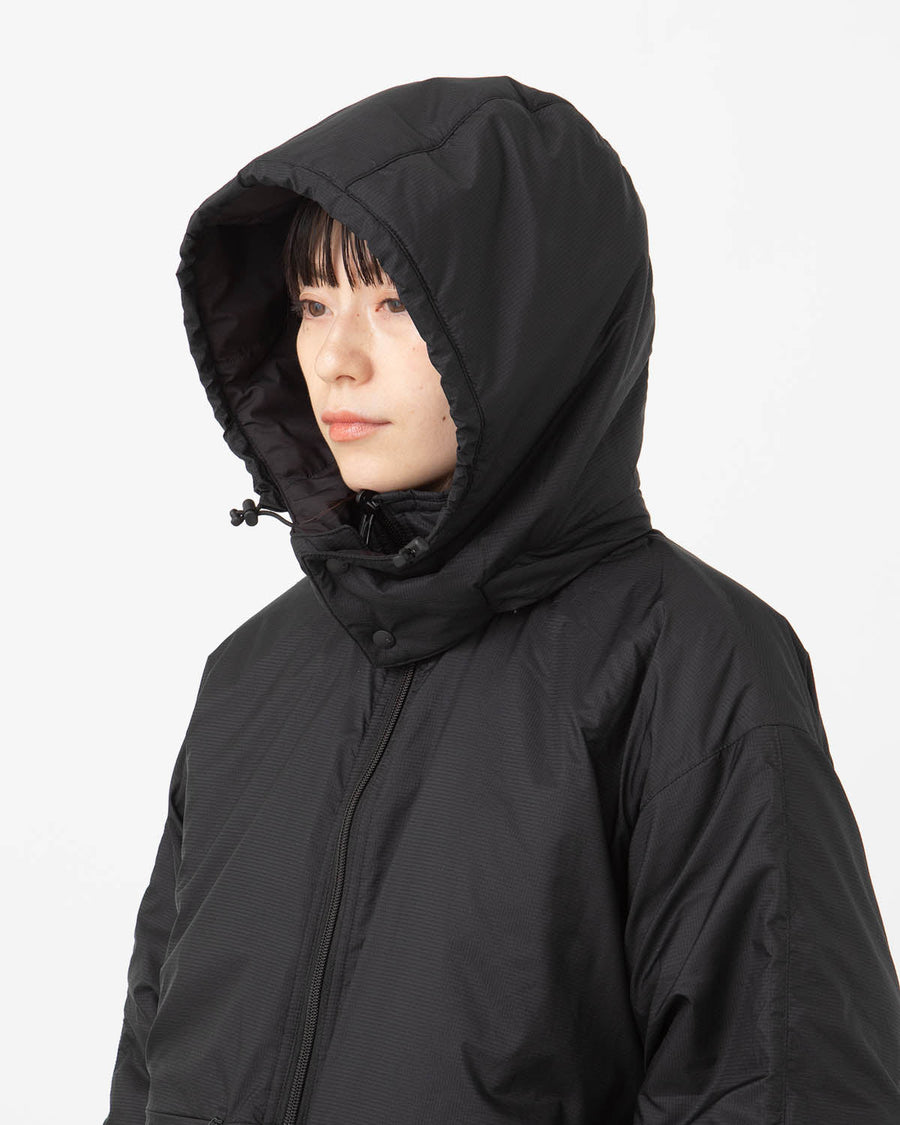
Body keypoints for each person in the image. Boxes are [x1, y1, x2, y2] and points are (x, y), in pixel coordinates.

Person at [103, 75, 900, 1125]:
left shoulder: (692, 666)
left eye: (395, 302)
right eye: (312, 304)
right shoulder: (252, 676)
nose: (335, 359)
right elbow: (149, 1067)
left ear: (533, 330)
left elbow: (780, 1085)